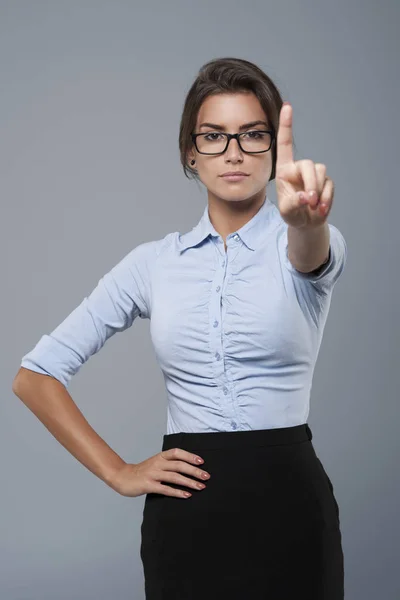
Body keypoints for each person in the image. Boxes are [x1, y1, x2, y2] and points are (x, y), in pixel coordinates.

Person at [12, 56, 347, 599]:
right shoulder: (152, 264)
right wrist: (119, 472)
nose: (234, 151)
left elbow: (310, 255)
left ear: (272, 148)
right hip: (186, 516)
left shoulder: (301, 243)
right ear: (191, 152)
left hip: (290, 506)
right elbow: (36, 374)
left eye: (253, 135)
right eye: (214, 136)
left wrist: (309, 222)